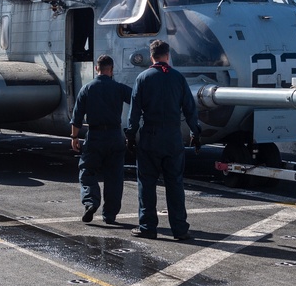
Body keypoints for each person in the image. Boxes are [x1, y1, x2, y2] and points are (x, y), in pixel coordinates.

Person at [125, 39, 201, 240]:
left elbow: (134, 112)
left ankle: (148, 227)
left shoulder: (142, 78)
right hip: (173, 138)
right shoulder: (178, 78)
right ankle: (180, 229)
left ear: (151, 56)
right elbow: (189, 108)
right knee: (175, 184)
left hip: (150, 137)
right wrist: (195, 132)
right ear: (167, 56)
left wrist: (131, 135)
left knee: (147, 184)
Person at [70, 55, 132, 225]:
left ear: (96, 69)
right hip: (115, 136)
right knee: (114, 177)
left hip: (95, 136)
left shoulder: (87, 89)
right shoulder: (119, 88)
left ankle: (91, 202)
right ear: (111, 70)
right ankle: (110, 215)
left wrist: (74, 137)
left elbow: (76, 117)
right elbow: (137, 100)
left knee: (87, 171)